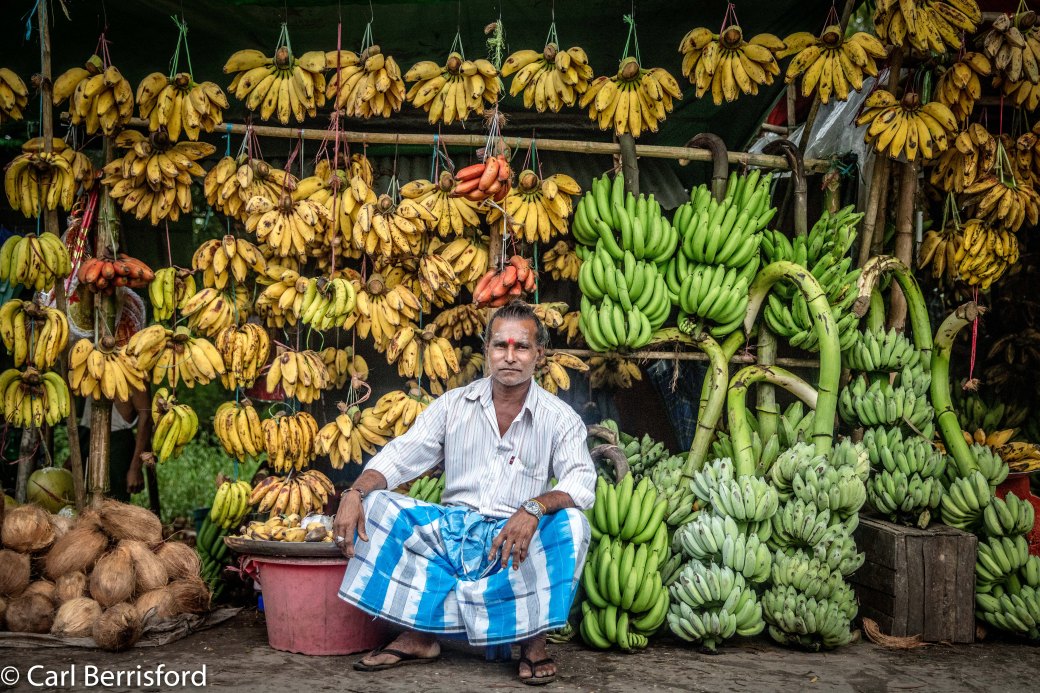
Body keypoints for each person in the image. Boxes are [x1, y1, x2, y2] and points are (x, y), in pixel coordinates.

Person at [334, 300, 596, 686]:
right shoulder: (454, 405)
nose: (510, 356)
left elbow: (580, 482)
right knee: (376, 504)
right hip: (451, 532)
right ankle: (421, 634)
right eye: (500, 346)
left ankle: (532, 642)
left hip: (513, 542)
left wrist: (534, 508)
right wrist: (355, 492)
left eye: (521, 347)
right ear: (487, 350)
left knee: (573, 525)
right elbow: (402, 456)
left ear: (539, 354)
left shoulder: (560, 418)